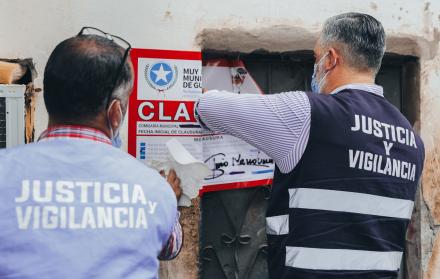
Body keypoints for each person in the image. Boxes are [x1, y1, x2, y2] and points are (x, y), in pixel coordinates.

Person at [196, 13, 425, 278]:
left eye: (315, 58)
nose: (314, 67)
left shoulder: (309, 113)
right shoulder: (412, 140)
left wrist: (199, 95)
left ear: (331, 58)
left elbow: (208, 109)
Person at [0, 27, 182, 279]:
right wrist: (167, 199)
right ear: (115, 112)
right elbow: (170, 247)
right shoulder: (154, 190)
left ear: (47, 98)